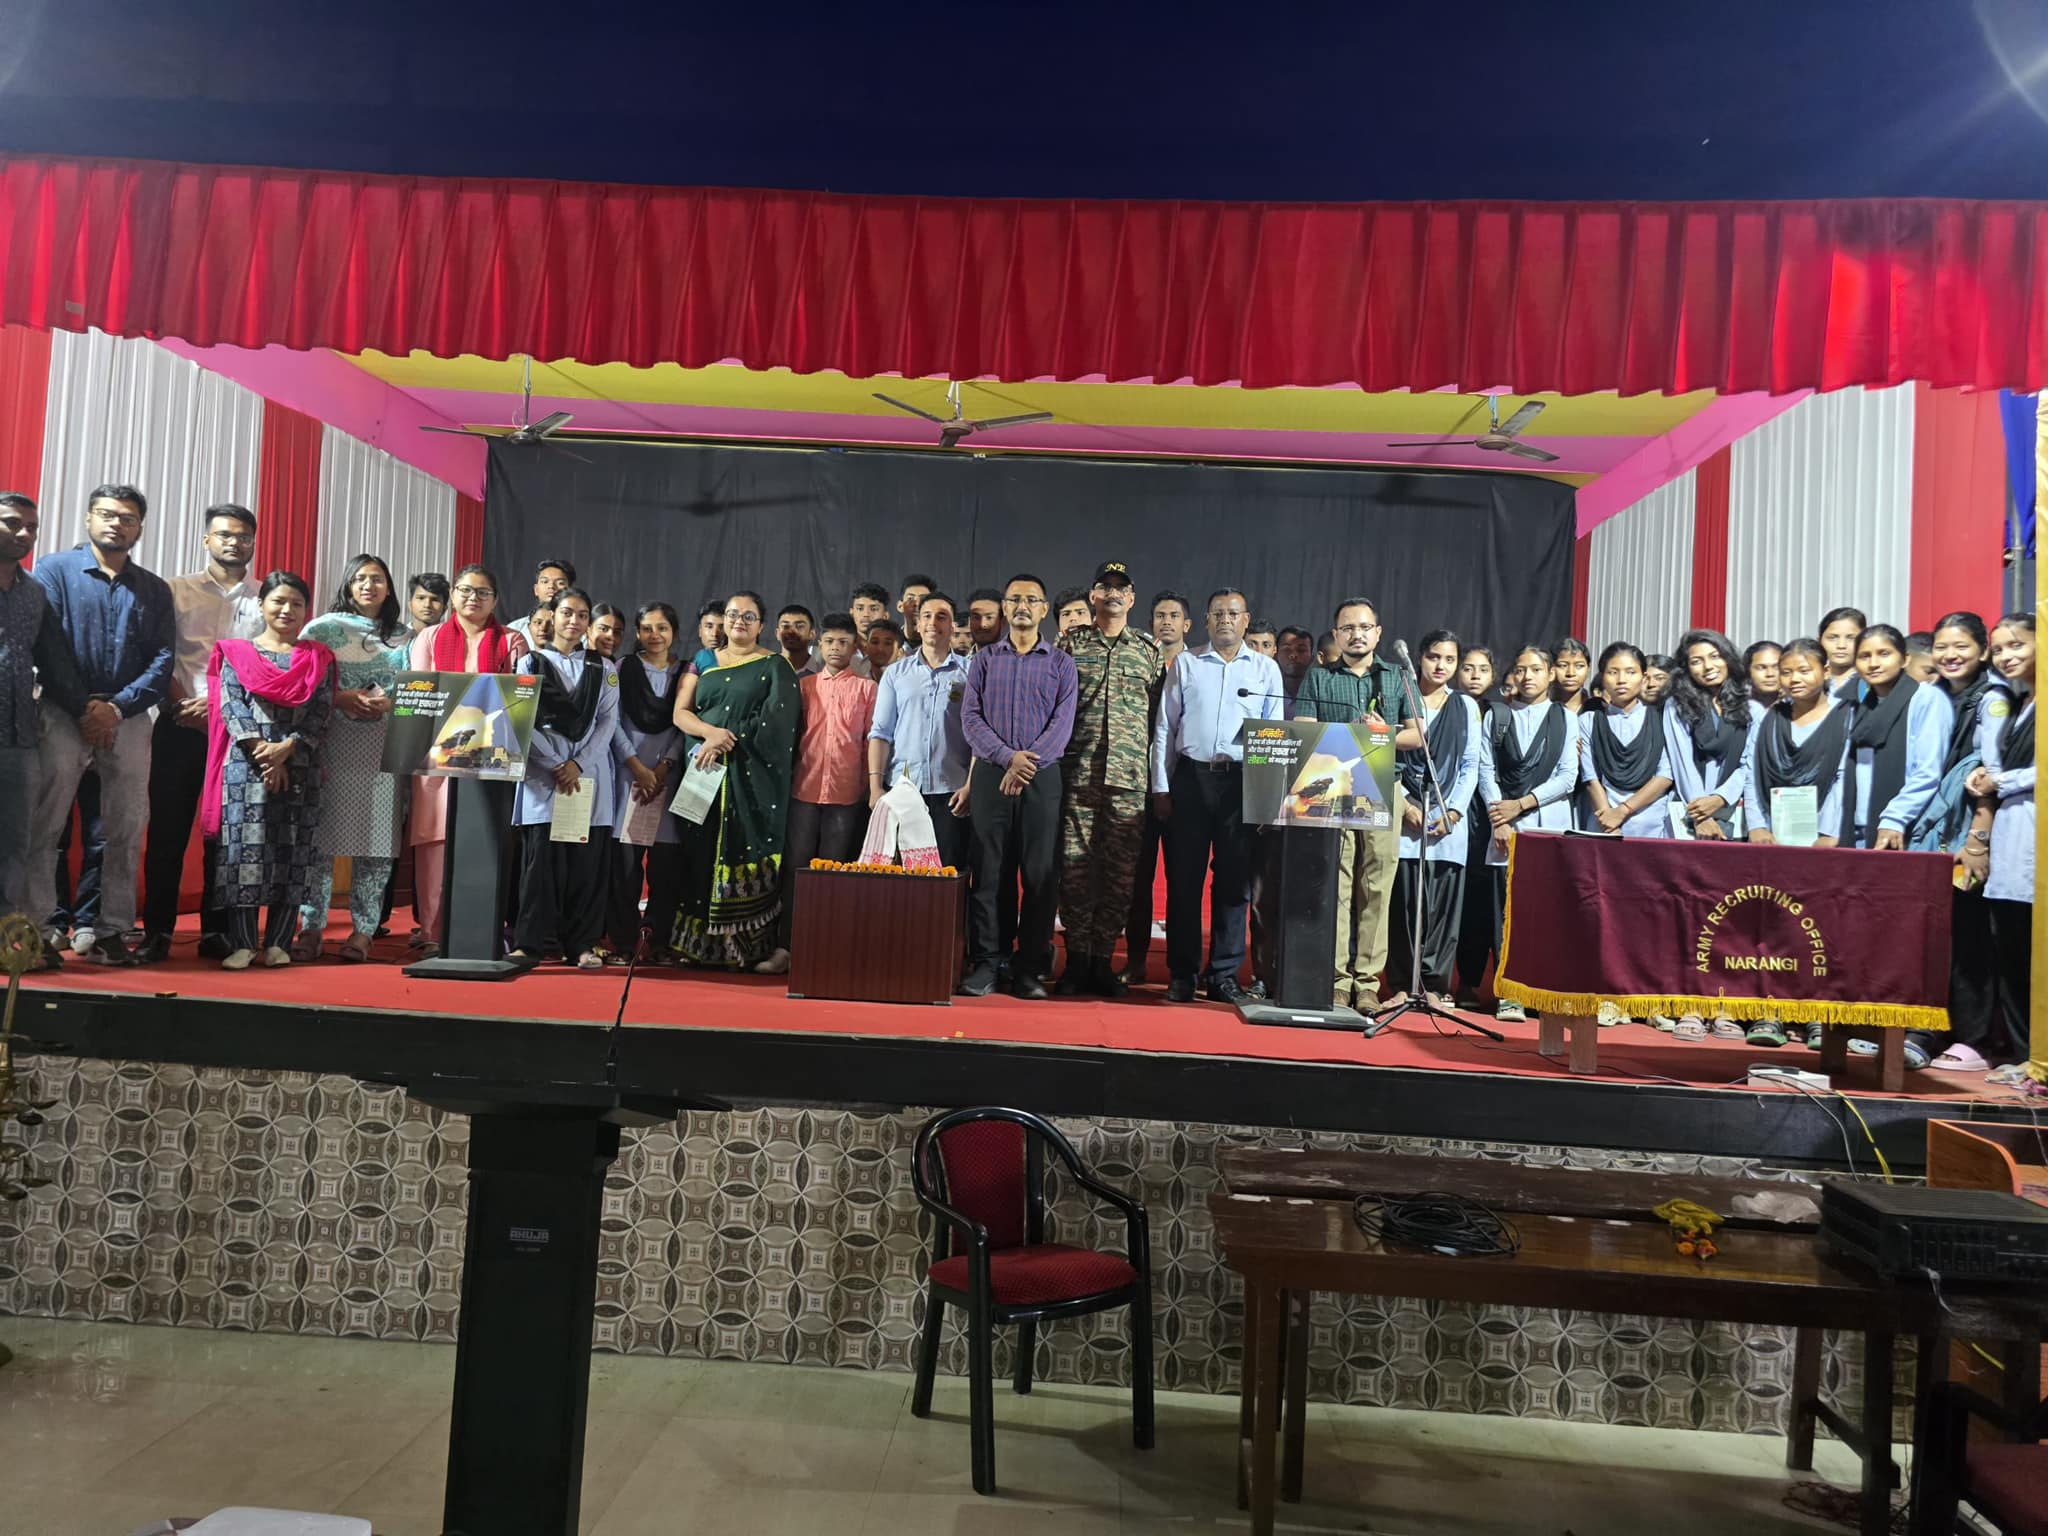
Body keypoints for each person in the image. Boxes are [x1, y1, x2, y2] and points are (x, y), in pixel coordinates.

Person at [26, 485, 175, 967]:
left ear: (140, 528)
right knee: (45, 823)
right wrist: (84, 707)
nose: (117, 524)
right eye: (107, 515)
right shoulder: (54, 570)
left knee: (125, 828)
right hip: (61, 713)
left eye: (128, 518)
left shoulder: (153, 588)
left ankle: (111, 930)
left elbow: (163, 660)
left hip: (128, 718)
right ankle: (37, 929)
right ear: (89, 518)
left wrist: (117, 708)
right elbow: (47, 646)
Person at [131, 503, 266, 963]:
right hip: (179, 724)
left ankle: (216, 931)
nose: (234, 542)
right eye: (225, 534)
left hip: (236, 734)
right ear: (207, 539)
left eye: (243, 536)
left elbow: (265, 664)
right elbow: (159, 654)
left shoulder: (265, 597)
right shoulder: (175, 591)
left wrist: (220, 711)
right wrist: (177, 704)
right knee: (167, 834)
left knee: (225, 838)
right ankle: (157, 932)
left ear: (253, 542)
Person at [1154, 587, 1284, 1005]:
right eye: (1217, 614)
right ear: (1207, 621)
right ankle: (1182, 973)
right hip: (1191, 781)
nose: (1225, 620)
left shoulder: (1265, 669)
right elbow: (1165, 728)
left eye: (1233, 613)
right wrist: (1161, 787)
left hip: (1241, 783)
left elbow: (1273, 734)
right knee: (1184, 881)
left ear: (1246, 621)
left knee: (1234, 884)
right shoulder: (1187, 663)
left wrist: (1266, 798)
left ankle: (1224, 975)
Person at [1294, 597, 1423, 1012]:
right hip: (1334, 786)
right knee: (1338, 883)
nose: (1357, 635)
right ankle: (1336, 978)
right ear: (1336, 634)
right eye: (1348, 628)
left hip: (1385, 785)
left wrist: (1382, 735)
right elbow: (1304, 728)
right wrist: (1349, 736)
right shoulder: (1319, 677)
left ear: (1377, 633)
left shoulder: (1397, 676)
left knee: (1377, 885)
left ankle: (1367, 982)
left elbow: (1417, 735)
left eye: (1364, 627)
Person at [204, 571, 336, 969]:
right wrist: (264, 753)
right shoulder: (236, 653)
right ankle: (243, 943)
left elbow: (322, 712)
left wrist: (287, 749)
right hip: (247, 768)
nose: (287, 610)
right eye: (278, 601)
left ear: (306, 611)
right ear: (261, 605)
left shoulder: (318, 659)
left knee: (292, 852)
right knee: (244, 853)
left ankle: (279, 942)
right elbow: (231, 706)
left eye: (297, 603)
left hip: (300, 765)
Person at [670, 590, 803, 968]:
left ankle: (744, 950)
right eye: (732, 615)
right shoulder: (703, 661)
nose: (738, 622)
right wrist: (710, 735)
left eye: (748, 616)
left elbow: (777, 724)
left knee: (742, 851)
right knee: (698, 853)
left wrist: (727, 740)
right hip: (701, 770)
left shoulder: (775, 666)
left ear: (761, 625)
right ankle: (698, 948)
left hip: (750, 779)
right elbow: (681, 713)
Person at [960, 573, 1077, 999]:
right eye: (1014, 599)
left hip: (1041, 777)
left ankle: (1030, 967)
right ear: (1005, 608)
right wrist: (1008, 758)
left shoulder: (1061, 663)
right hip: (993, 773)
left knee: (1040, 874)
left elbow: (1062, 724)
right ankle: (988, 962)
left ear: (1044, 609)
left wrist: (1025, 763)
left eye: (1031, 599)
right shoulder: (985, 660)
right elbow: (971, 718)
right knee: (990, 871)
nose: (1022, 606)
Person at [406, 564, 530, 955]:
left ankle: (480, 928)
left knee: (486, 839)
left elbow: (518, 700)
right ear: (453, 595)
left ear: (495, 600)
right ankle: (432, 931)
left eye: (482, 592)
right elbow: (421, 694)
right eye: (465, 590)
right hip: (438, 753)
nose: (473, 598)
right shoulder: (429, 638)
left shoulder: (511, 640)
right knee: (435, 841)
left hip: (491, 757)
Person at [296, 554, 410, 962]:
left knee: (377, 844)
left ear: (389, 587)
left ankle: (364, 931)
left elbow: (419, 692)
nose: (368, 586)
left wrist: (391, 703)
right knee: (317, 842)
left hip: (383, 750)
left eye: (377, 579)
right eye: (360, 578)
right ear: (347, 585)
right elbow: (300, 683)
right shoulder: (321, 629)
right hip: (330, 744)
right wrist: (340, 698)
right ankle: (311, 927)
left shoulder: (405, 637)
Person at [1055, 562, 1161, 997]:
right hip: (1078, 771)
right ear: (1093, 596)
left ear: (1131, 598)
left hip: (1129, 777)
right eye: (1105, 587)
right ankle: (1077, 959)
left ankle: (1103, 959)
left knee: (1120, 874)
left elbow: (1158, 719)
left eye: (1122, 588)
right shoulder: (1070, 645)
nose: (1113, 594)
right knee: (1074, 870)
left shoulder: (1148, 652)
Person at [1908, 613, 2006, 1071]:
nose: (1950, 655)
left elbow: (1991, 776)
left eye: (1961, 646)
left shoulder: (1992, 700)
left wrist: (1978, 840)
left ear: (1983, 651)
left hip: (1970, 836)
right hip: (1935, 834)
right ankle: (1930, 1030)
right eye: (1942, 646)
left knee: (1971, 936)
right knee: (1935, 935)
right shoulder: (1935, 696)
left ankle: (1975, 1040)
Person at [508, 588, 616, 970]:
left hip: (586, 776)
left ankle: (582, 945)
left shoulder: (604, 668)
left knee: (585, 865)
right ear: (552, 616)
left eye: (582, 615)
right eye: (567, 613)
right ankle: (530, 944)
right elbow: (521, 716)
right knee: (540, 866)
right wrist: (555, 763)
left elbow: (608, 721)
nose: (574, 621)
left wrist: (579, 764)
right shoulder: (529, 662)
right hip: (544, 776)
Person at [0, 493, 90, 933]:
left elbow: (53, 663)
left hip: (19, 736)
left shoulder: (33, 592)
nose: (23, 533)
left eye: (31, 527)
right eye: (12, 523)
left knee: (16, 843)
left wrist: (89, 710)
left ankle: (5, 939)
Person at [1476, 645, 1578, 1022]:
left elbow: (1567, 777)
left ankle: (1542, 991)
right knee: (1507, 913)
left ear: (1551, 674)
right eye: (1521, 670)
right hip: (1504, 827)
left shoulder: (1566, 718)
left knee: (1547, 912)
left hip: (1548, 824)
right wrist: (1500, 820)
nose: (1528, 676)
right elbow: (1486, 771)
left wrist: (1521, 804)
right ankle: (1510, 993)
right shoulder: (1498, 715)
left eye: (1536, 669)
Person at [772, 612, 876, 973]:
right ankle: (787, 947)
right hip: (804, 788)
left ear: (855, 647)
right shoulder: (805, 686)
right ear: (819, 644)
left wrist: (867, 786)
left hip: (846, 794)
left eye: (844, 643)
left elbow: (871, 742)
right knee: (796, 870)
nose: (836, 649)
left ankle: (826, 949)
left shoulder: (868, 689)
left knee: (834, 871)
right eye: (830, 642)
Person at [1663, 630, 1753, 1039]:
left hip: (1734, 815)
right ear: (1686, 668)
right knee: (1692, 913)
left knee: (1732, 916)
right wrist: (1701, 812)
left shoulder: (1749, 703)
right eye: (1697, 660)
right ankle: (1691, 1005)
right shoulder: (1677, 705)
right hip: (1689, 816)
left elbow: (1750, 761)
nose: (1707, 666)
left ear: (1728, 658)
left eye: (1714, 657)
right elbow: (1682, 761)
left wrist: (1721, 798)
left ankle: (1725, 1004)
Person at [1387, 631, 1484, 1011]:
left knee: (1442, 911)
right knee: (1402, 908)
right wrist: (1403, 805)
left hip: (1447, 824)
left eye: (1449, 659)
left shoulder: (1466, 706)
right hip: (1404, 817)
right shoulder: (1401, 700)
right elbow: (1382, 755)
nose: (1440, 666)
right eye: (1433, 657)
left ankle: (1435, 986)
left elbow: (1470, 764)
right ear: (1419, 658)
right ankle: (1401, 984)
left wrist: (1453, 811)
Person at [1969, 613, 2034, 1089]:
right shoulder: (2016, 701)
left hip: (2034, 834)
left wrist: (2002, 780)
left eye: (2018, 645)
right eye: (2000, 648)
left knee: (2033, 954)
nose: (2007, 655)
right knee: (2011, 953)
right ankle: (2027, 1055)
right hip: (2011, 838)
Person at [1117, 590, 1193, 985]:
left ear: (1187, 625)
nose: (1166, 622)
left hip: (1185, 786)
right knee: (1136, 880)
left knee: (1183, 880)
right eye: (1160, 615)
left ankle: (1183, 968)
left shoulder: (1198, 667)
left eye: (1174, 616)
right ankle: (1135, 960)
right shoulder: (1138, 660)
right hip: (1137, 786)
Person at [605, 601, 686, 963]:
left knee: (666, 871)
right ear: (637, 633)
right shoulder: (623, 669)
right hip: (629, 779)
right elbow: (612, 721)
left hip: (669, 782)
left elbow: (686, 723)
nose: (655, 635)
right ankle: (624, 943)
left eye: (662, 628)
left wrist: (665, 766)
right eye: (647, 628)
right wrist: (637, 767)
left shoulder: (686, 673)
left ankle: (659, 942)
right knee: (625, 869)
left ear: (674, 633)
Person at [869, 591, 972, 868]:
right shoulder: (896, 673)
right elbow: (880, 733)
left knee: (947, 873)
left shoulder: (971, 672)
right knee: (902, 876)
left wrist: (970, 785)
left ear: (953, 626)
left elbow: (979, 737)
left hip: (953, 792)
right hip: (903, 788)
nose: (933, 623)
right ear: (917, 624)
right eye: (926, 616)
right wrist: (875, 787)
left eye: (942, 617)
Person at [1840, 623, 1952, 854]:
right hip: (1858, 828)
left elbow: (1928, 771)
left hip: (1902, 826)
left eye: (1884, 654)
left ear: (1904, 659)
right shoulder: (1861, 706)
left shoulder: (1926, 698)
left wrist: (1895, 817)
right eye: (1864, 656)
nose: (1873, 663)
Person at [1578, 643, 1674, 839]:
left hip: (1650, 824)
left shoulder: (1662, 718)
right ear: (1602, 677)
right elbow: (1591, 777)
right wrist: (1608, 821)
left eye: (1630, 672)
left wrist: (1622, 811)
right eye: (1613, 672)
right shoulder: (1588, 720)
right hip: (1603, 821)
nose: (1621, 680)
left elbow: (1665, 775)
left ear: (1643, 677)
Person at [506, 558, 576, 646]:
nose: (551, 586)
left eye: (560, 583)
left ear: (570, 591)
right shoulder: (515, 629)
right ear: (536, 589)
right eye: (545, 581)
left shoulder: (579, 630)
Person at [1817, 605, 1867, 698]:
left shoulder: (1871, 683)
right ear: (1819, 641)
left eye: (1851, 638)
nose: (1841, 645)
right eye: (1832, 638)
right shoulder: (1809, 682)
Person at [847, 581, 891, 678]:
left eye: (874, 609)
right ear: (852, 613)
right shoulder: (841, 648)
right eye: (860, 608)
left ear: (885, 615)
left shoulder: (895, 652)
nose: (866, 614)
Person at [1277, 627, 1316, 713]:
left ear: (1312, 658)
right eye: (1287, 649)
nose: (1293, 655)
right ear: (1276, 654)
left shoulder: (1318, 693)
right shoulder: (1265, 690)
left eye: (1301, 650)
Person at [1551, 638, 1592, 714]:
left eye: (1579, 666)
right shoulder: (1540, 707)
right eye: (1563, 665)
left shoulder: (1596, 709)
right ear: (1550, 669)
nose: (1570, 673)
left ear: (1588, 669)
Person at [777, 604, 820, 674]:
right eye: (785, 626)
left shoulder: (826, 673)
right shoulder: (763, 671)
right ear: (777, 634)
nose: (791, 632)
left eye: (799, 626)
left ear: (812, 634)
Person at [898, 573, 936, 645]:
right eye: (910, 598)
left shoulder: (942, 644)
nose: (917, 604)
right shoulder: (889, 642)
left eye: (923, 599)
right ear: (900, 606)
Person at [1743, 641, 1782, 709]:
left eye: (1776, 667)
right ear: (1747, 672)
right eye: (1761, 668)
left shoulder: (1798, 707)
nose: (1770, 674)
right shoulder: (1735, 707)